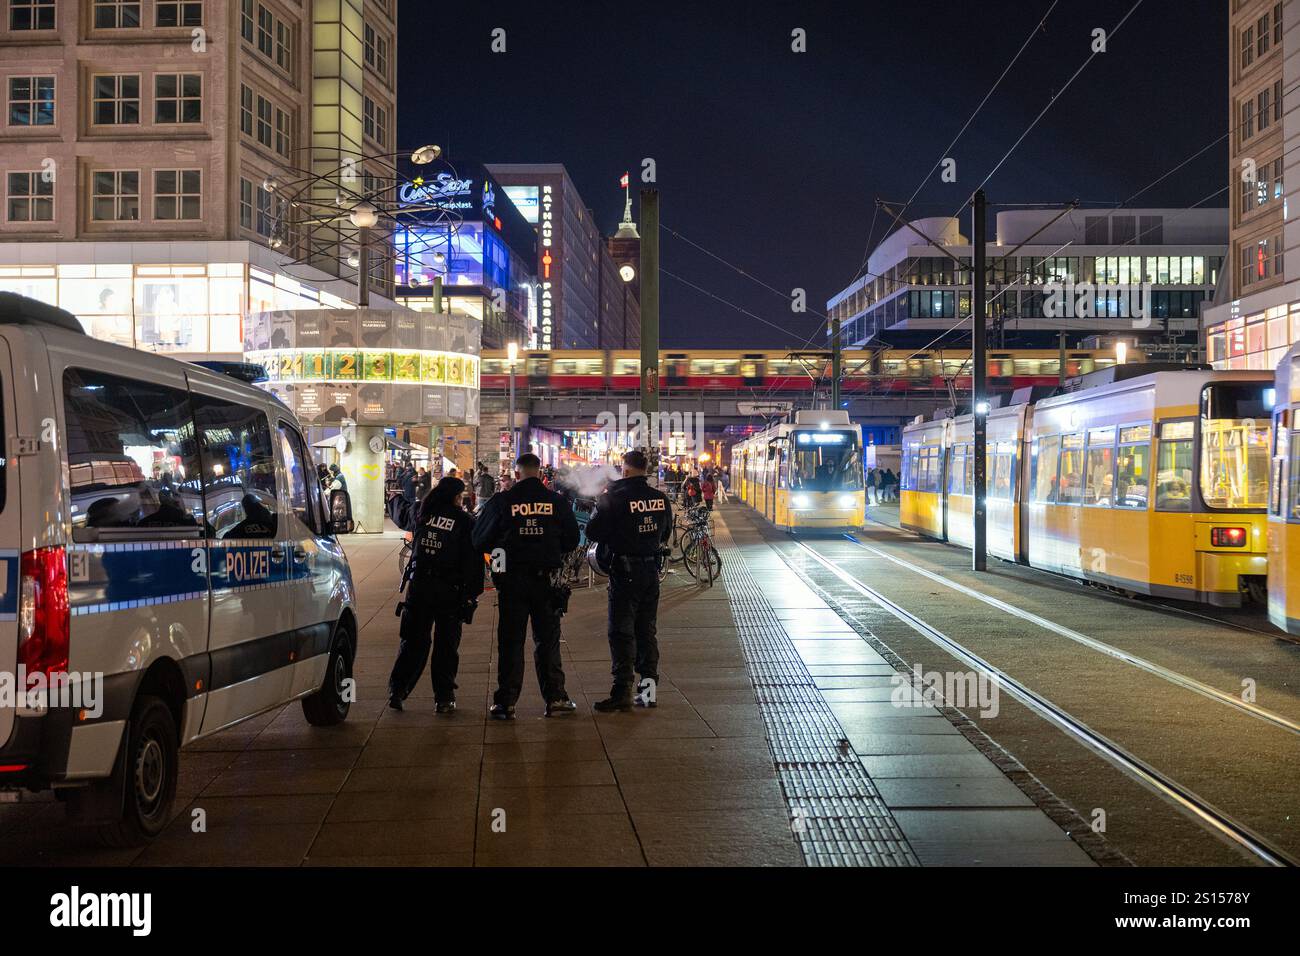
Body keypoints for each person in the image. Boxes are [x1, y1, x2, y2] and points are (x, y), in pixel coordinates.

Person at [472, 453, 580, 719]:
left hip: (513, 581)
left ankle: (505, 702)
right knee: (548, 640)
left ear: (517, 474)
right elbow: (572, 539)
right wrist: (550, 548)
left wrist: (501, 552)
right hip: (546, 581)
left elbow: (479, 539)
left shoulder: (502, 501)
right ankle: (555, 698)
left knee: (511, 641)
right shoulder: (556, 501)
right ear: (540, 473)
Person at [584, 450, 673, 711]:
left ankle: (621, 692)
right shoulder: (660, 498)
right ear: (645, 469)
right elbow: (665, 531)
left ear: (624, 470)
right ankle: (648, 693)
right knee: (647, 631)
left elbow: (593, 531)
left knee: (621, 632)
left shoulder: (614, 498)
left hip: (624, 572)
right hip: (650, 573)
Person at [387, 477, 484, 713]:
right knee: (446, 646)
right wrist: (472, 594)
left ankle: (398, 691)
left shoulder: (422, 511)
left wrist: (394, 497)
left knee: (413, 642)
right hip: (450, 591)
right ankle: (444, 697)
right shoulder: (464, 521)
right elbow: (473, 561)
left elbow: (399, 512)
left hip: (420, 587)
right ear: (455, 497)